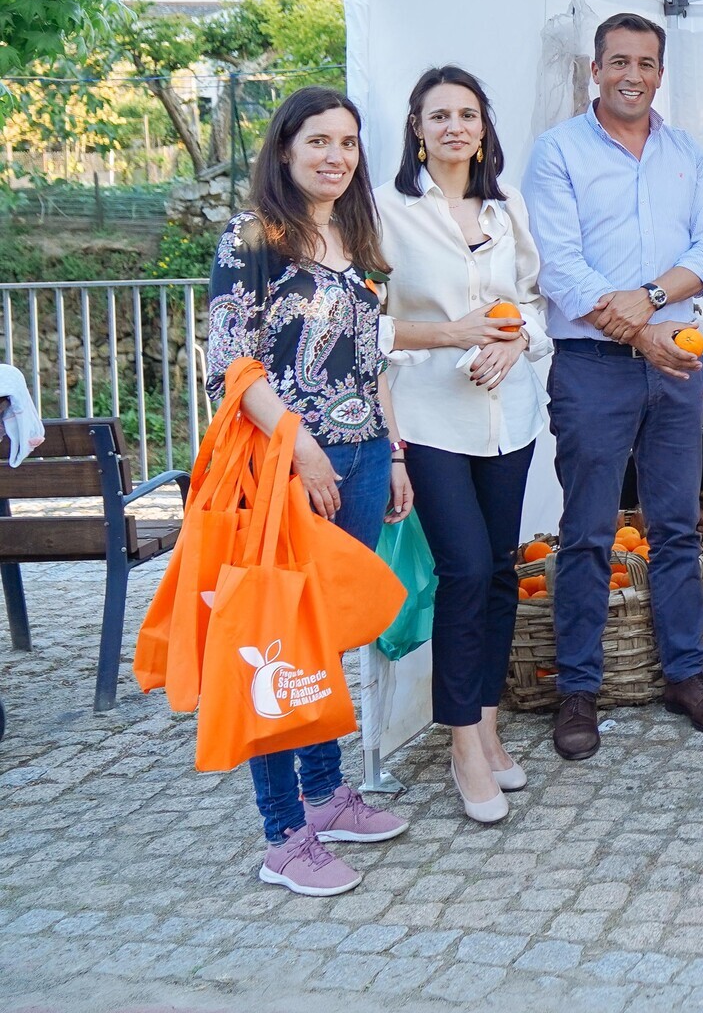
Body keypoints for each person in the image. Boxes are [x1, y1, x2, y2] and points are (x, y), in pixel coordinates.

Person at [205, 86, 411, 896]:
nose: (336, 156)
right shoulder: (253, 237)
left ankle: (325, 796)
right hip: (285, 468)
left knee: (322, 639)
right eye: (319, 140)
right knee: (274, 642)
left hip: (363, 459)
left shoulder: (359, 238)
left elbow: (374, 360)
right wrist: (299, 447)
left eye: (349, 143)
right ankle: (282, 835)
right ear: (285, 147)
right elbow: (231, 362)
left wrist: (395, 454)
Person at [523, 12, 703, 760]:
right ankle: (577, 689)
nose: (632, 76)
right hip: (593, 365)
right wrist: (639, 330)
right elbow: (560, 266)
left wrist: (648, 300)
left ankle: (685, 674)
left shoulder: (685, 151)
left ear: (660, 73)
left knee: (677, 527)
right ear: (595, 69)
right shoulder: (558, 152)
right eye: (619, 61)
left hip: (674, 361)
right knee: (586, 532)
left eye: (646, 63)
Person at [376, 66, 546, 826]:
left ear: (484, 129)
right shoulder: (385, 212)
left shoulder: (507, 210)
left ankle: (489, 725)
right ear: (417, 128)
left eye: (467, 114)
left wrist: (515, 342)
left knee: (501, 571)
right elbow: (370, 324)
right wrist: (452, 335)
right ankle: (463, 745)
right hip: (429, 417)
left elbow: (534, 302)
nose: (454, 127)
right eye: (439, 115)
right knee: (465, 569)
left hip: (510, 416)